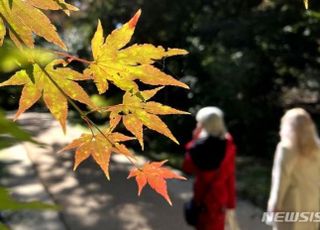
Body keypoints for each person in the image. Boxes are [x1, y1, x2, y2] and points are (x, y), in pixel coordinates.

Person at [183, 106, 239, 230]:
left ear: (204, 125)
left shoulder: (197, 148)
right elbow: (230, 177)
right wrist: (231, 205)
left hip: (202, 199)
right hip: (219, 200)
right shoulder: (229, 146)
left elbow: (187, 167)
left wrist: (194, 140)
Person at [267, 108, 320, 230]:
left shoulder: (286, 149)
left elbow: (281, 181)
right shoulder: (317, 149)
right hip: (313, 204)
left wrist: (274, 206)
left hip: (291, 204)